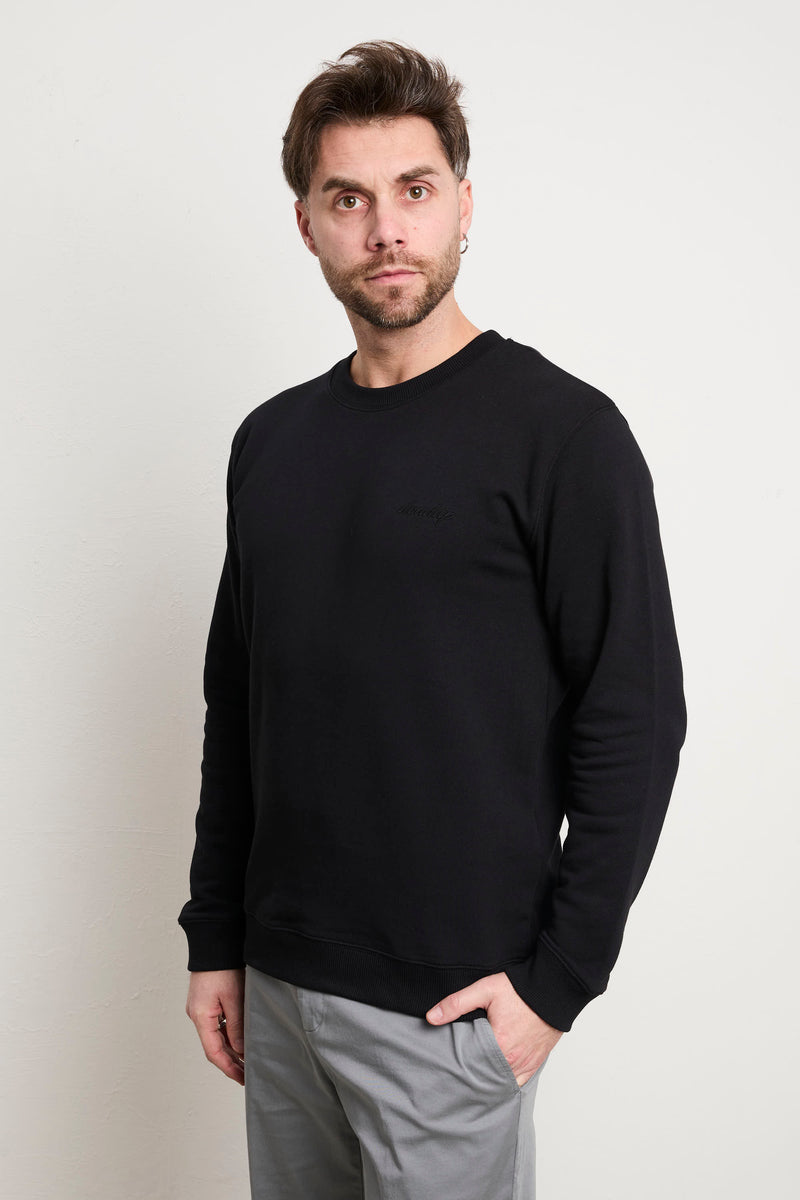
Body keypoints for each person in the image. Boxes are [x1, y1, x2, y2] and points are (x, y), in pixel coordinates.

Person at [178, 40, 686, 1200]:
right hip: (278, 991)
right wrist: (216, 937)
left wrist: (555, 985)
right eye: (346, 199)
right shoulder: (271, 443)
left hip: (448, 1010)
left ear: (463, 202)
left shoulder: (563, 436)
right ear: (307, 225)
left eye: (412, 190)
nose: (385, 230)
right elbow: (238, 704)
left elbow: (634, 718)